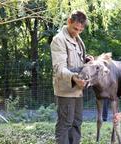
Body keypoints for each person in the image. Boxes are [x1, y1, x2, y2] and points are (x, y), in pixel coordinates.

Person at [51, 10, 92, 144]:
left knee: (76, 122)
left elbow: (73, 60)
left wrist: (85, 60)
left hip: (77, 89)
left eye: (80, 30)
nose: (77, 32)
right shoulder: (59, 40)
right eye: (75, 28)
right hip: (66, 89)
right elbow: (59, 68)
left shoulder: (77, 38)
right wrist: (74, 77)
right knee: (65, 123)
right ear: (69, 21)